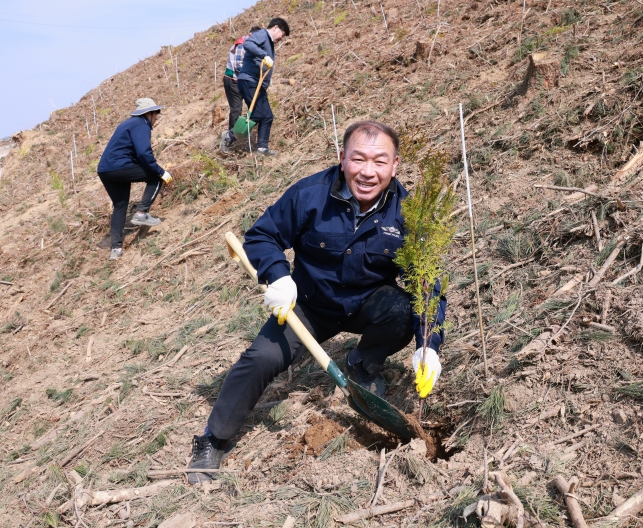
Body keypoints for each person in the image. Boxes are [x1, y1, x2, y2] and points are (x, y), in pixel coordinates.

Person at [186, 121, 447, 484]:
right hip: (307, 306)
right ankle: (213, 438)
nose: (368, 172)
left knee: (402, 311)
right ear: (342, 159)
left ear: (395, 165)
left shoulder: (407, 213)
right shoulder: (310, 194)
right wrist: (278, 275)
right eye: (358, 159)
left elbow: (426, 283)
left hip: (368, 304)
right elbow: (262, 235)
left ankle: (362, 366)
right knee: (260, 358)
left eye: (379, 161)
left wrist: (428, 345)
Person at [97, 98, 173, 260]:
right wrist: (161, 171)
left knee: (120, 205)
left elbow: (133, 153)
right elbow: (143, 154)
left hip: (105, 170)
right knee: (156, 177)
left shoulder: (127, 124)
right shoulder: (141, 124)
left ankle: (116, 249)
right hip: (119, 167)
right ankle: (141, 213)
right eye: (156, 114)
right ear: (149, 114)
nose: (157, 118)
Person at [235, 17, 290, 157]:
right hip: (249, 81)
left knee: (268, 116)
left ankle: (262, 149)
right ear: (276, 28)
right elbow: (248, 44)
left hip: (258, 84)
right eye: (282, 34)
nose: (281, 38)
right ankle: (230, 136)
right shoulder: (262, 35)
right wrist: (264, 54)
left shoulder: (269, 42)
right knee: (259, 114)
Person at [219, 26, 261, 154]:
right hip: (233, 80)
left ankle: (242, 134)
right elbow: (239, 66)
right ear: (250, 35)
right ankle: (229, 138)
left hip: (242, 80)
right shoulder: (242, 44)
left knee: (253, 107)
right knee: (236, 108)